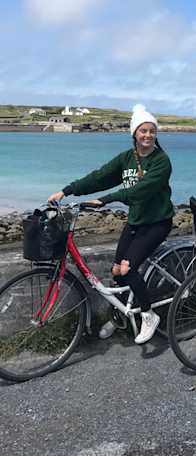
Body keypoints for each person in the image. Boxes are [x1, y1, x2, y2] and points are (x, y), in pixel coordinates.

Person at [48, 104, 174, 344]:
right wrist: (67, 191)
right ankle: (121, 317)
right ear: (134, 133)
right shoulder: (127, 158)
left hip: (156, 223)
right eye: (143, 130)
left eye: (152, 131)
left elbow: (140, 190)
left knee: (127, 269)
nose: (148, 135)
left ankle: (149, 315)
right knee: (117, 272)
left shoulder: (161, 161)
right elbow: (100, 176)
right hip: (136, 221)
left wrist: (106, 200)